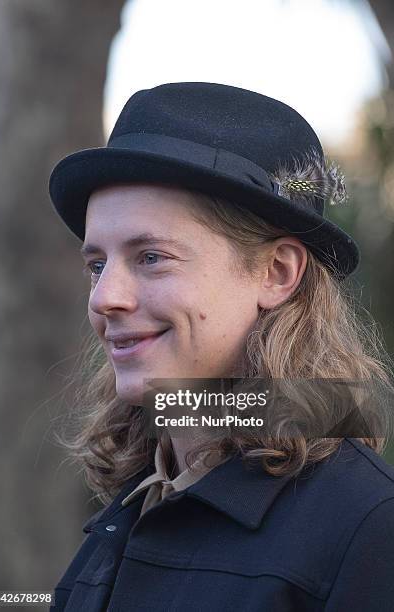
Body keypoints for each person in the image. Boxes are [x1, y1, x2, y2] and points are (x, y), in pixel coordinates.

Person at [48, 82, 394, 611]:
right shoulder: (129, 513)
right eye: (98, 265)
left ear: (277, 273)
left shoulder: (369, 529)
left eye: (151, 257)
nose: (104, 298)